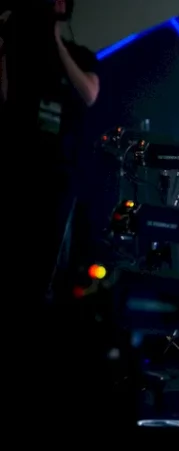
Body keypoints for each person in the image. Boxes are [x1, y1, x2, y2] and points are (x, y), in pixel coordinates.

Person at [1, 0, 99, 306]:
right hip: (21, 161)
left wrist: (56, 42)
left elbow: (90, 93)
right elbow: (5, 95)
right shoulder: (24, 53)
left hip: (59, 170)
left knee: (48, 252)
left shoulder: (80, 55)